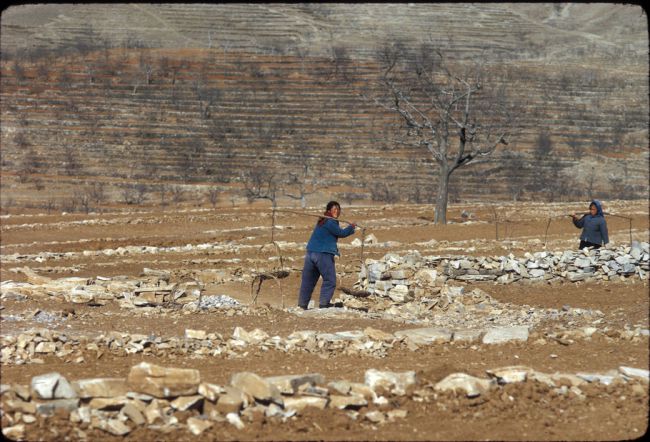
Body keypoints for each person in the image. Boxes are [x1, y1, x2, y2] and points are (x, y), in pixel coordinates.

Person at [298, 201, 356, 309]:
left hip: (310, 253)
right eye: (334, 209)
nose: (337, 212)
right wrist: (351, 227)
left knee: (308, 281)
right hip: (322, 254)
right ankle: (324, 304)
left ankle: (302, 305)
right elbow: (341, 233)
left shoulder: (322, 220)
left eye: (338, 210)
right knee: (330, 280)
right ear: (329, 210)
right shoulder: (330, 222)